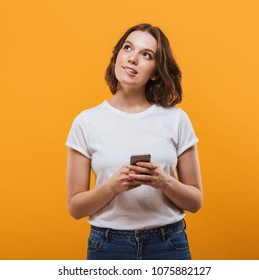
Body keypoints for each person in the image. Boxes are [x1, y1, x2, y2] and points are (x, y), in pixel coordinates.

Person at [65, 23, 203, 260]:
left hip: (168, 244)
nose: (132, 59)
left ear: (156, 71)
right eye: (128, 48)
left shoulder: (176, 119)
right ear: (117, 56)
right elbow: (76, 208)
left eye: (146, 55)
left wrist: (164, 182)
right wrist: (113, 186)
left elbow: (195, 201)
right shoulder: (86, 122)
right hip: (108, 246)